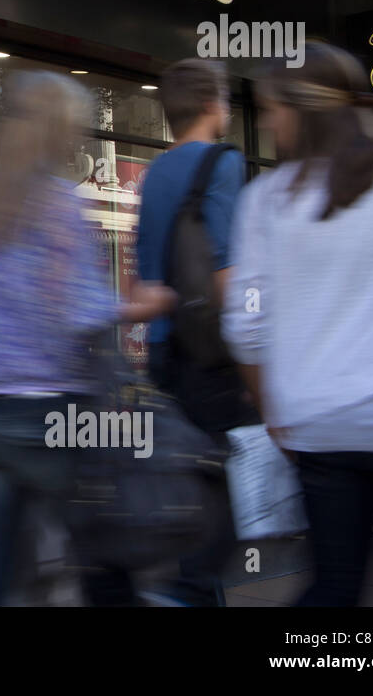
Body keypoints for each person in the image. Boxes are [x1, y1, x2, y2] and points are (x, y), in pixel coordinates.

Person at [222, 41, 373, 606]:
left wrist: (275, 416)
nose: (269, 121)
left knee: (334, 584)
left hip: (325, 427)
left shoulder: (268, 200)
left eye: (274, 108)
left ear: (301, 110)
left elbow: (247, 326)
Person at [0, 71, 174, 606]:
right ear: (60, 133)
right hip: (49, 417)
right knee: (101, 559)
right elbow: (75, 310)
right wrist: (144, 303)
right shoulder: (55, 203)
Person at [95, 58, 254, 606]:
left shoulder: (156, 173)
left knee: (188, 483)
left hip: (164, 354)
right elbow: (228, 276)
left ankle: (187, 590)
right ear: (212, 105)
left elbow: (147, 282)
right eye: (227, 99)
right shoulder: (223, 165)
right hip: (211, 357)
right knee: (221, 503)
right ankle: (184, 594)